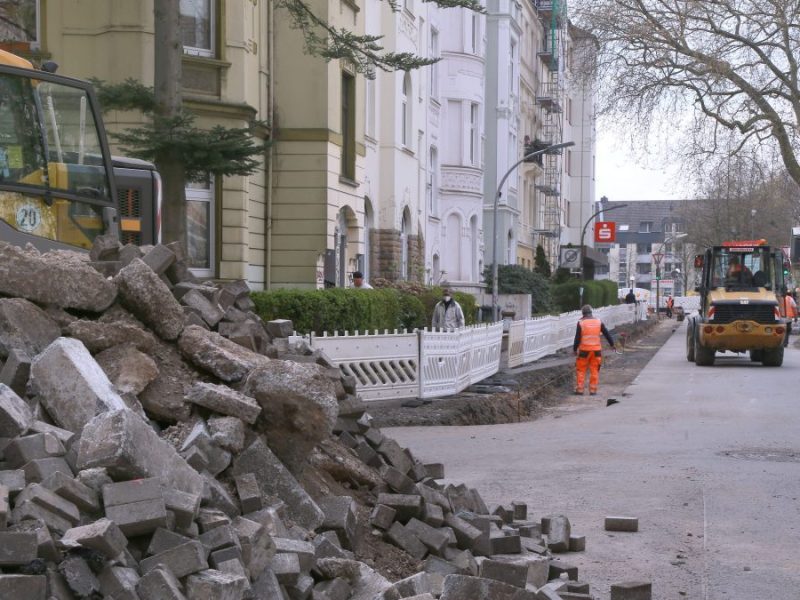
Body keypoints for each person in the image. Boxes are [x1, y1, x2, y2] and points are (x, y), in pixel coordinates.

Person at [573, 304, 616, 396]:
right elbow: (606, 334)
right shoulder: (598, 321)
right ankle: (593, 390)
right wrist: (612, 344)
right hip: (596, 351)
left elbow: (577, 338)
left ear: (583, 314)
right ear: (591, 312)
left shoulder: (581, 323)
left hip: (584, 350)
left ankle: (580, 390)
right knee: (594, 370)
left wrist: (574, 349)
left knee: (581, 370)